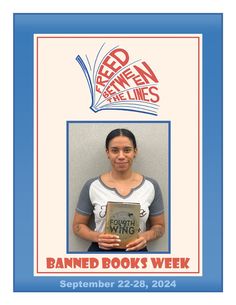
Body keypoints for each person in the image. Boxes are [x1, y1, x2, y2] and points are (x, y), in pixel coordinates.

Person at [73, 128, 165, 251]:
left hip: (137, 256)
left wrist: (145, 237)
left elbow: (159, 227)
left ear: (135, 152)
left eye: (127, 150)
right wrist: (98, 237)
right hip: (100, 254)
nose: (121, 156)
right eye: (115, 150)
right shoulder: (92, 186)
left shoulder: (151, 186)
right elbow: (78, 226)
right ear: (107, 153)